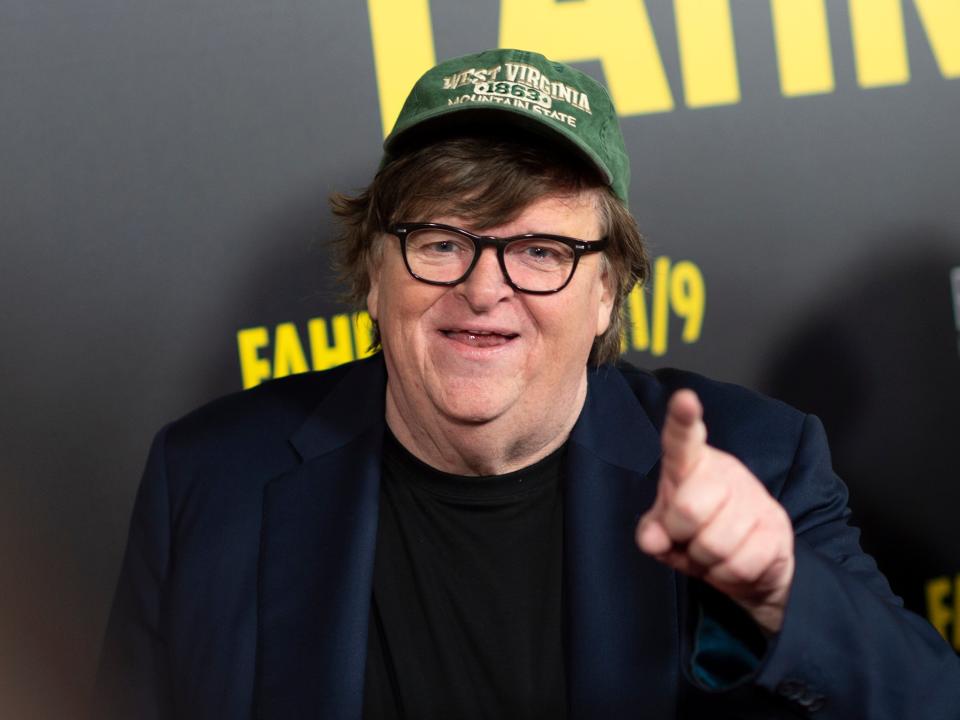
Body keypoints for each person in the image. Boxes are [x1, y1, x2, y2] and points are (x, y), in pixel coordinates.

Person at [94, 48, 960, 719]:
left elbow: (930, 700)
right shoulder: (209, 478)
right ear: (372, 273)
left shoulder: (758, 461)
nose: (482, 287)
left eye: (540, 251)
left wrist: (779, 590)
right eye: (440, 240)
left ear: (606, 294)